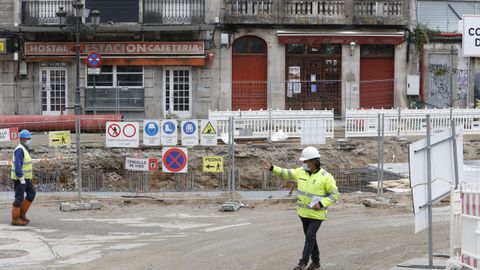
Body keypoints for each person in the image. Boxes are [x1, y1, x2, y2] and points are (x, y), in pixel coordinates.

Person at [263, 146, 339, 270]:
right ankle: (316, 262)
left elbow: (335, 194)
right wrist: (272, 168)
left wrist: (322, 203)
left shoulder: (326, 177)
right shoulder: (300, 172)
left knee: (309, 236)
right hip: (303, 213)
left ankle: (302, 263)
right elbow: (286, 173)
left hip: (317, 214)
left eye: (306, 161)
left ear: (314, 162)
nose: (303, 164)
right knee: (311, 238)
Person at [10, 129, 36, 226]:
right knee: (19, 198)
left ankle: (22, 214)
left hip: (26, 178)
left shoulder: (25, 149)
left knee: (31, 193)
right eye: (29, 138)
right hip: (19, 178)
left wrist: (28, 177)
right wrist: (21, 177)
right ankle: (15, 219)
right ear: (24, 139)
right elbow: (18, 165)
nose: (30, 140)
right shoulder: (20, 149)